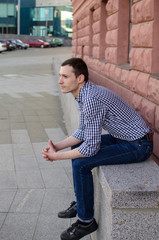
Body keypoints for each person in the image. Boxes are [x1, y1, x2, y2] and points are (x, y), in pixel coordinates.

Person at [42, 58, 153, 240]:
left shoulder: (92, 98)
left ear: (80, 79)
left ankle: (86, 222)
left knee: (81, 163)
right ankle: (82, 203)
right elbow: (83, 132)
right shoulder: (83, 93)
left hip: (139, 145)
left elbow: (91, 148)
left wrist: (56, 156)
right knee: (78, 147)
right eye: (60, 76)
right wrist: (58, 146)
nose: (59, 81)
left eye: (64, 76)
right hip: (123, 138)